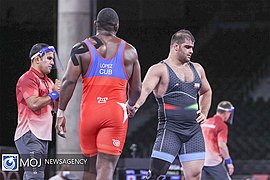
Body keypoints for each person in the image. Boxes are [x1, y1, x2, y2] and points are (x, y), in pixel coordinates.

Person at [55, 8, 142, 180]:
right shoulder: (129, 51)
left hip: (89, 114)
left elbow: (68, 82)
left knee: (89, 169)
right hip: (114, 113)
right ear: (117, 26)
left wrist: (61, 112)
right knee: (106, 168)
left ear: (95, 25)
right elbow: (137, 89)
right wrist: (130, 105)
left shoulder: (81, 48)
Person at [132, 29, 212, 180]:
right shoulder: (159, 69)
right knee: (156, 175)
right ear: (175, 46)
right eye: (187, 47)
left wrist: (204, 112)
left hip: (193, 131)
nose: (191, 51)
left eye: (192, 48)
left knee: (195, 175)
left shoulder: (197, 69)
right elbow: (145, 90)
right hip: (171, 131)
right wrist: (134, 106)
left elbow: (206, 91)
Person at [14, 43, 61, 179]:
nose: (52, 63)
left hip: (43, 136)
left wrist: (60, 93)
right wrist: (54, 94)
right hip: (29, 133)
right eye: (49, 58)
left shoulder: (49, 82)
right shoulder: (27, 79)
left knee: (34, 175)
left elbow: (56, 108)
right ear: (37, 59)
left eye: (52, 59)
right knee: (35, 176)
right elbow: (33, 104)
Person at [201, 101, 235, 180]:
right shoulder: (222, 126)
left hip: (200, 161)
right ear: (226, 113)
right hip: (213, 162)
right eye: (229, 113)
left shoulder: (205, 122)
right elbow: (222, 145)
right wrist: (229, 162)